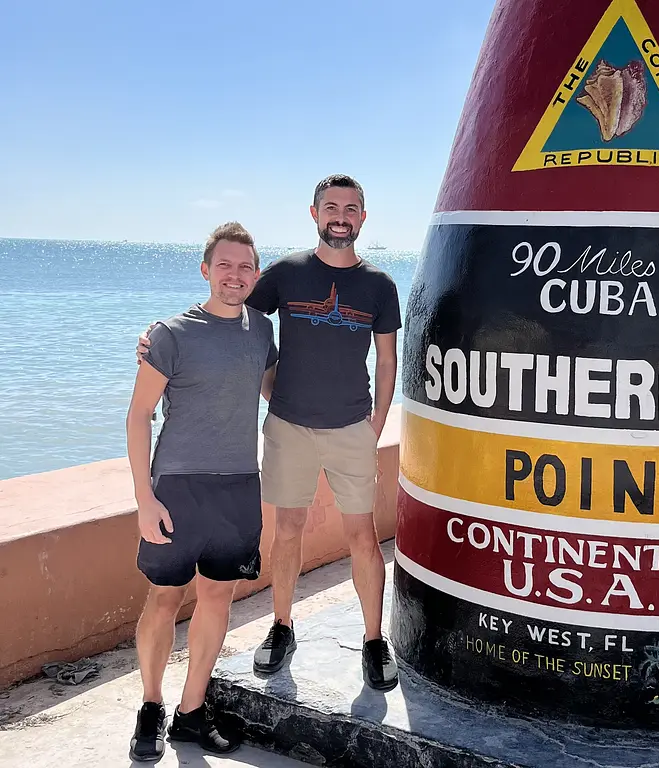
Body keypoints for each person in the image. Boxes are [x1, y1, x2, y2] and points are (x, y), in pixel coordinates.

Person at [136, 174, 402, 691]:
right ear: (314, 213)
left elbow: (388, 360)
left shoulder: (380, 286)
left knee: (363, 537)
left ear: (363, 218)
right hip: (286, 427)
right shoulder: (283, 275)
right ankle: (282, 627)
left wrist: (376, 424)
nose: (340, 216)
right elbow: (229, 318)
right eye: (331, 207)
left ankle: (373, 639)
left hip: (352, 427)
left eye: (350, 208)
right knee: (287, 531)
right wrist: (157, 338)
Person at [125, 222, 278, 762]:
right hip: (177, 488)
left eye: (244, 267)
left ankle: (191, 712)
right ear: (206, 270)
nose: (234, 276)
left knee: (217, 597)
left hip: (238, 485)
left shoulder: (262, 331)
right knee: (165, 597)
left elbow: (276, 392)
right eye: (224, 265)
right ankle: (151, 705)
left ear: (255, 275)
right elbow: (140, 415)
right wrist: (145, 497)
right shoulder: (170, 333)